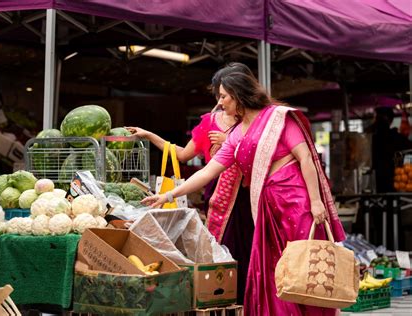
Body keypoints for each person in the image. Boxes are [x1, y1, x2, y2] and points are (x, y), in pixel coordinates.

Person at [142, 69, 346, 315]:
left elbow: (305, 158)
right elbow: (207, 173)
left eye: (224, 96)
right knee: (275, 269)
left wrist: (315, 201)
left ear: (239, 95)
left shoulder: (277, 118)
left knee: (304, 265)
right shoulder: (236, 134)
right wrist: (169, 195)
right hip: (266, 205)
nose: (219, 102)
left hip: (296, 201)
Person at [128, 63, 255, 304]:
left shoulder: (254, 121)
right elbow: (183, 155)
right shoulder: (209, 122)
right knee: (221, 248)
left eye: (224, 95)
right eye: (219, 94)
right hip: (218, 194)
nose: (220, 101)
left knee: (250, 249)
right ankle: (225, 298)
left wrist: (231, 141)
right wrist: (148, 135)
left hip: (249, 195)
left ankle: (250, 301)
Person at [367, 106, 411, 192]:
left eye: (376, 118)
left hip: (386, 183)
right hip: (391, 183)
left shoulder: (371, 138)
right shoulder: (397, 137)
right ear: (391, 120)